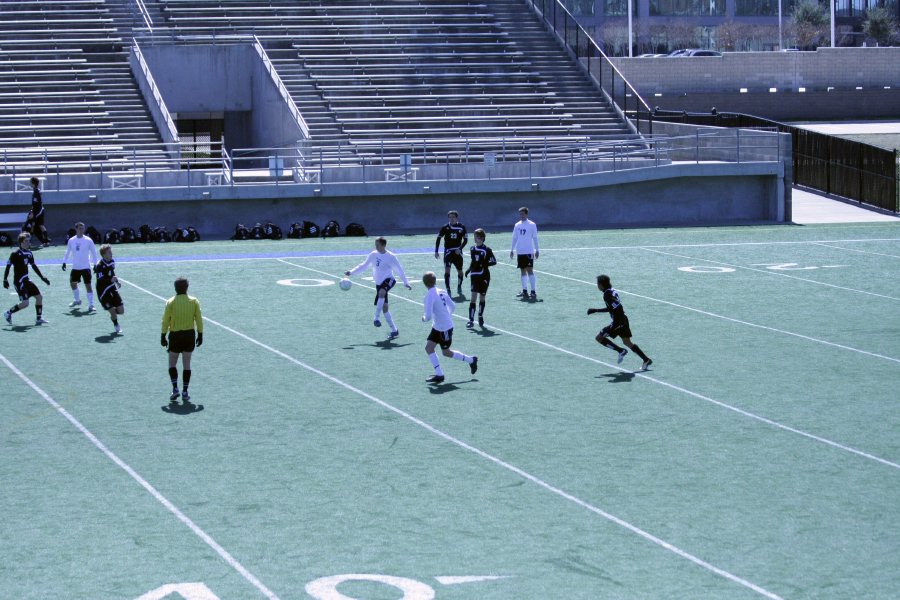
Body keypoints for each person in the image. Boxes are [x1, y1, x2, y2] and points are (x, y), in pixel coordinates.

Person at [344, 236, 412, 340]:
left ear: (383, 245)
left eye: (377, 244)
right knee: (385, 308)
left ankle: (376, 318)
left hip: (389, 280)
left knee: (381, 292)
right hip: (379, 283)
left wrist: (405, 282)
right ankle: (394, 330)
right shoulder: (373, 254)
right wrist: (351, 272)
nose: (375, 246)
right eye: (375, 244)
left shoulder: (391, 256)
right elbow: (364, 265)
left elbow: (399, 269)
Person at [421, 271, 478, 383]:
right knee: (429, 348)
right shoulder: (441, 291)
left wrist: (423, 318)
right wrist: (447, 315)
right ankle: (439, 374)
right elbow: (453, 305)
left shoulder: (429, 295)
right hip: (438, 326)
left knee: (446, 352)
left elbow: (427, 317)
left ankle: (471, 360)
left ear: (424, 283)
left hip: (444, 328)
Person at [587, 274, 653, 371]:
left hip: (618, 322)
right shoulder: (611, 291)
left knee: (599, 338)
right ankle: (646, 360)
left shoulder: (607, 294)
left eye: (598, 283)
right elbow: (613, 307)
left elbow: (616, 307)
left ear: (601, 284)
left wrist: (596, 310)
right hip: (623, 320)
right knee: (627, 342)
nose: (597, 285)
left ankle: (620, 351)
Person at [161, 277, 203, 402]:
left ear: (175, 288)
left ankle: (175, 389)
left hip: (175, 336)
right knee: (187, 364)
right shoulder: (194, 301)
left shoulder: (170, 302)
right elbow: (199, 319)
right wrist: (200, 334)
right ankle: (185, 391)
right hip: (189, 335)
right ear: (187, 288)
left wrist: (163, 335)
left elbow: (165, 320)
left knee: (172, 363)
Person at [3, 232, 50, 326]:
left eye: (29, 240)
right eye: (26, 241)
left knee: (39, 297)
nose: (29, 242)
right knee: (25, 303)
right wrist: (5, 279)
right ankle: (8, 313)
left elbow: (34, 266)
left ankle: (39, 318)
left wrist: (42, 277)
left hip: (27, 280)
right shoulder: (15, 253)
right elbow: (8, 266)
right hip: (19, 282)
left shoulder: (29, 253)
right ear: (21, 242)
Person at [62, 222, 98, 312]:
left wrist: (95, 264)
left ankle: (91, 305)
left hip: (86, 267)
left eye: (83, 228)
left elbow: (94, 252)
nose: (82, 230)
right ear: (76, 229)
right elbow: (68, 252)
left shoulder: (88, 240)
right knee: (73, 283)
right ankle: (77, 300)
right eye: (80, 228)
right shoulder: (71, 240)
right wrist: (64, 262)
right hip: (75, 267)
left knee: (88, 285)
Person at [464, 228, 497, 328]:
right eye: (475, 237)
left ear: (482, 238)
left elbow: (494, 261)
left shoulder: (487, 250)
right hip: (474, 276)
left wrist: (484, 264)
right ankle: (470, 320)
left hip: (484, 276)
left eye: (478, 237)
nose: (476, 239)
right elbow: (473, 261)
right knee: (473, 298)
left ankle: (480, 315)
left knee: (482, 297)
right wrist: (469, 269)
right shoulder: (472, 249)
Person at [434, 210, 468, 296]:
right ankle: (448, 289)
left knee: (460, 271)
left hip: (457, 252)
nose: (452, 219)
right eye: (450, 217)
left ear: (457, 218)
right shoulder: (445, 227)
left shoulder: (462, 227)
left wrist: (460, 249)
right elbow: (438, 238)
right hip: (448, 252)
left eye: (453, 217)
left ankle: (459, 285)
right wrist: (436, 251)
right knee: (447, 270)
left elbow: (466, 240)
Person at [510, 206, 539, 299]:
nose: (521, 215)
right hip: (520, 252)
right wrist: (512, 250)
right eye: (520, 214)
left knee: (530, 270)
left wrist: (537, 250)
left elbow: (535, 238)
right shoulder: (517, 225)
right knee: (522, 271)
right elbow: (514, 238)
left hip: (529, 252)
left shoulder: (532, 224)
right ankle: (525, 291)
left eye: (523, 214)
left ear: (526, 214)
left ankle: (533, 291)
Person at [94, 244, 123, 334]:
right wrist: (111, 280)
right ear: (104, 255)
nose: (111, 254)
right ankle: (116, 324)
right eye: (109, 252)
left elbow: (112, 272)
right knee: (113, 312)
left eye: (111, 252)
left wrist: (116, 281)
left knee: (121, 311)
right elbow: (100, 280)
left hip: (112, 288)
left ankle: (111, 311)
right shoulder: (99, 266)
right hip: (103, 291)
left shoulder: (112, 262)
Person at [30, 177, 50, 247]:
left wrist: (34, 213)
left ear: (33, 183)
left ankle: (29, 242)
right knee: (40, 225)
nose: (30, 184)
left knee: (33, 225)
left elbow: (37, 203)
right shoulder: (36, 190)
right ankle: (46, 241)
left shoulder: (37, 191)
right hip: (38, 210)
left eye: (31, 182)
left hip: (38, 211)